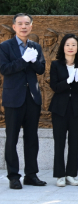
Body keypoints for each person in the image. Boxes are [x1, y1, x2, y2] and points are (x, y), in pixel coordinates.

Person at [0, 13, 46, 189]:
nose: (24, 26)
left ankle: (31, 175)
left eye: (27, 23)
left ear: (31, 26)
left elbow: (41, 69)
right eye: (20, 24)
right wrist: (22, 60)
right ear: (14, 27)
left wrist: (33, 61)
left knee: (32, 138)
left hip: (32, 98)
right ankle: (13, 176)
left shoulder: (35, 46)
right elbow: (4, 69)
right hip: (13, 98)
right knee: (12, 138)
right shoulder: (5, 47)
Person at [49, 34, 78, 187]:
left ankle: (71, 174)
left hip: (77, 109)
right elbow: (55, 86)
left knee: (74, 142)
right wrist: (68, 81)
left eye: (74, 45)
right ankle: (59, 175)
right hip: (59, 109)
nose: (70, 47)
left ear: (77, 47)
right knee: (59, 142)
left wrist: (77, 81)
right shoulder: (56, 65)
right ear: (63, 47)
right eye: (68, 44)